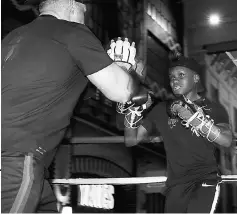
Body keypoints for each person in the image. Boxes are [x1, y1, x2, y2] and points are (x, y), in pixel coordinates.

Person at [1, 0, 149, 212]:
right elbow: (122, 91)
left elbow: (74, 89)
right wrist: (128, 70)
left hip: (24, 162)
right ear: (71, 7)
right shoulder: (73, 32)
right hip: (15, 158)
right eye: (84, 12)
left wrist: (111, 67)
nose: (85, 19)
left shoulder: (13, 37)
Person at [123, 56, 233, 213]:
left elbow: (226, 140)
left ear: (195, 78)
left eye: (181, 75)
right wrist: (131, 112)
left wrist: (194, 119)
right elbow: (131, 140)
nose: (175, 80)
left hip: (204, 181)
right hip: (176, 185)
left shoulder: (214, 108)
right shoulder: (161, 109)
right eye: (172, 77)